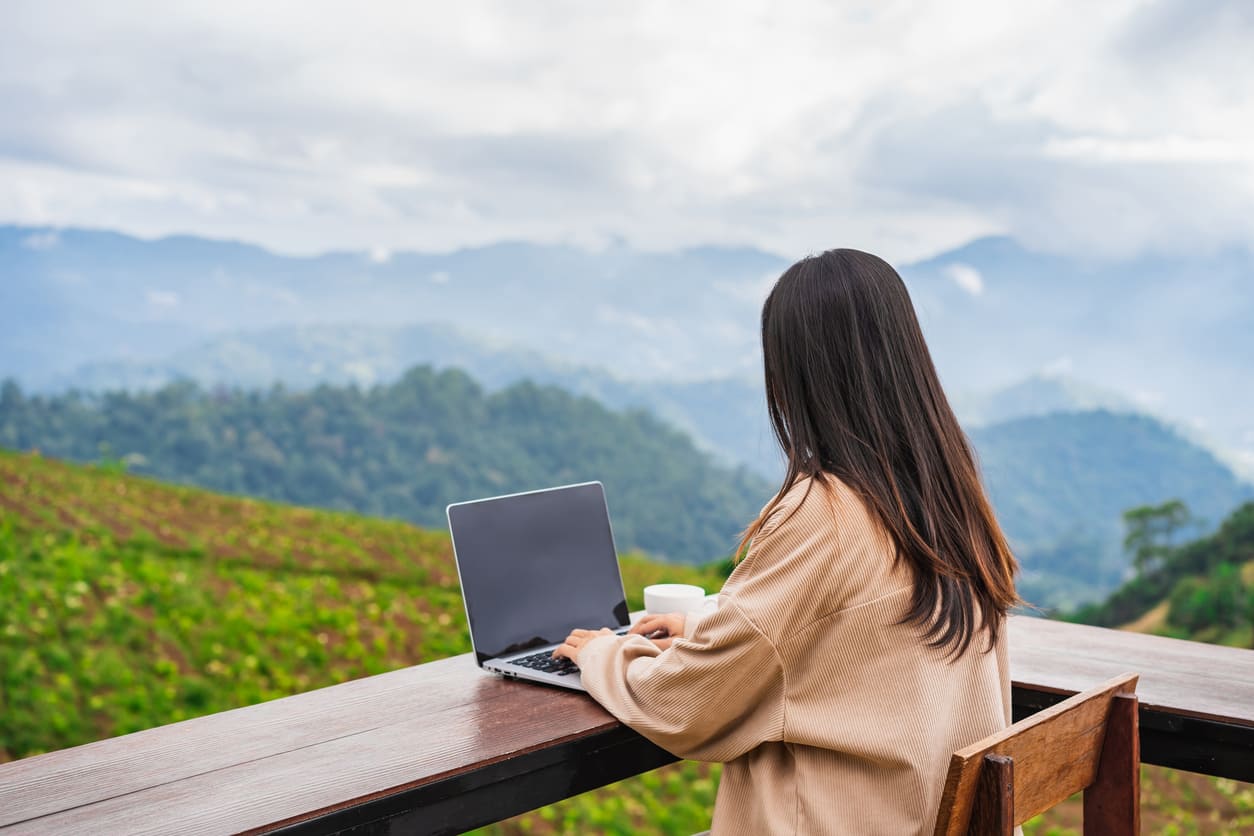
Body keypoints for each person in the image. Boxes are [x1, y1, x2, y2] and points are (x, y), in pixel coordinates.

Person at [554, 248, 1019, 835]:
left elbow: (688, 705)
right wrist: (702, 627)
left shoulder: (826, 511)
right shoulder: (948, 494)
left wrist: (603, 654)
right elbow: (862, 639)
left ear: (793, 374)